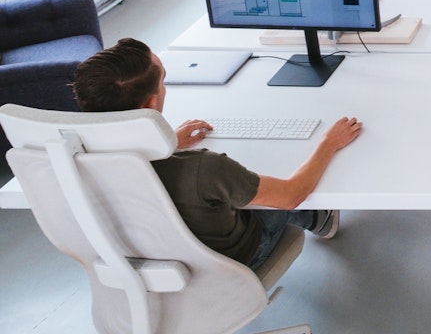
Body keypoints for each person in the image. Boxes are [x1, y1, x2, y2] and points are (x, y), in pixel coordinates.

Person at [71, 38, 363, 270]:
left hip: (146, 260)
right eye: (163, 81)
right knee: (266, 188)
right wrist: (329, 142)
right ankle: (318, 218)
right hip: (230, 262)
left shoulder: (74, 159)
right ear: (150, 103)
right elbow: (290, 194)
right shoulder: (202, 169)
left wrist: (169, 140)